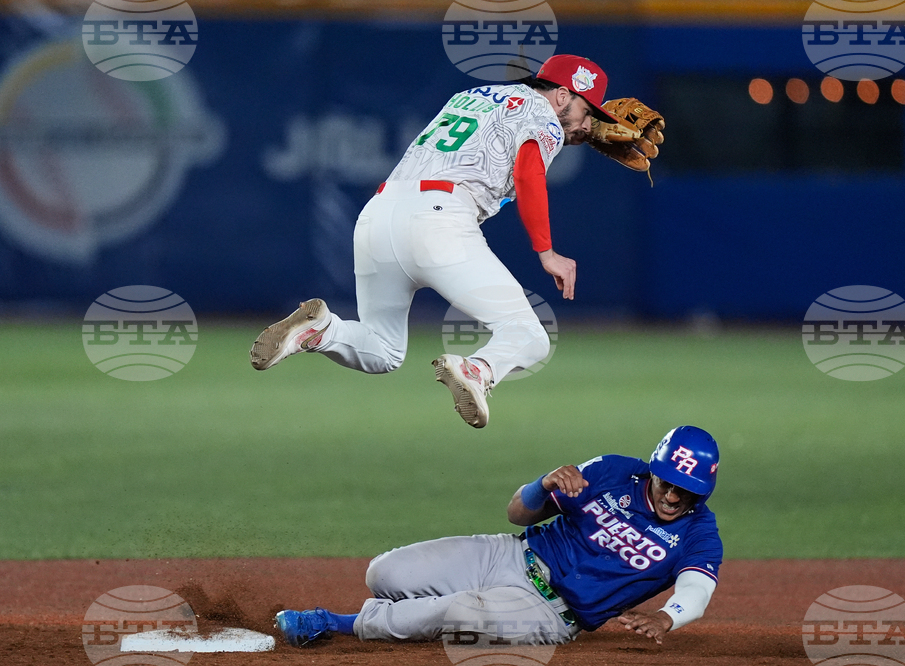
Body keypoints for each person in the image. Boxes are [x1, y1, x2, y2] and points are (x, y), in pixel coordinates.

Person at [249, 54, 623, 429]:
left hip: (378, 214)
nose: (590, 126)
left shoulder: (471, 95)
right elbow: (529, 174)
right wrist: (546, 251)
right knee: (528, 335)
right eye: (589, 111)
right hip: (439, 219)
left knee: (382, 350)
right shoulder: (545, 117)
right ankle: (477, 370)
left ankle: (322, 330)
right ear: (561, 96)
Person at [274, 426, 723, 647]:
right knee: (383, 573)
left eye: (687, 491)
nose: (673, 496)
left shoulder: (699, 532)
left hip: (549, 612)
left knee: (459, 609)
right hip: (509, 555)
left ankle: (335, 623)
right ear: (656, 471)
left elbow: (697, 591)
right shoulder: (613, 471)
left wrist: (667, 618)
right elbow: (516, 515)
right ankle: (418, 616)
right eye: (668, 484)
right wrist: (542, 484)